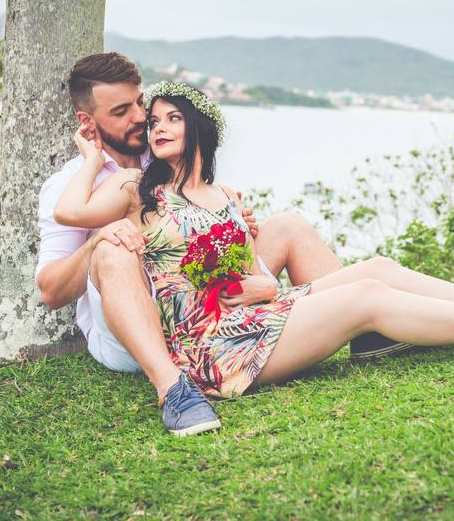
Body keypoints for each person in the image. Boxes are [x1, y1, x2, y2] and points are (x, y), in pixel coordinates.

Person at [53, 80, 454, 435]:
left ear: (197, 127)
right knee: (365, 297)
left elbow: (256, 280)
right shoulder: (134, 188)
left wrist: (256, 288)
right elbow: (71, 213)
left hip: (251, 317)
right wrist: (88, 158)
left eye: (170, 119)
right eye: (154, 122)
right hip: (210, 348)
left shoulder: (224, 199)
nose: (157, 129)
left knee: (379, 268)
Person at [36, 53, 411, 437]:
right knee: (111, 248)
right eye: (121, 111)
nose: (138, 117)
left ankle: (364, 331)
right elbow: (50, 289)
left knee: (287, 226)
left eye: (139, 103)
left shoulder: (165, 155)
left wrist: (235, 225)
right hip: (134, 326)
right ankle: (173, 389)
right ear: (87, 123)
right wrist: (100, 238)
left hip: (201, 304)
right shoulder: (70, 185)